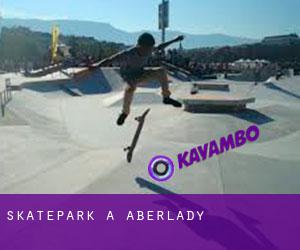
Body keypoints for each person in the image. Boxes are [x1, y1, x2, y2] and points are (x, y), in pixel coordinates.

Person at [82, 33, 184, 126]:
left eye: (150, 49)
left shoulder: (149, 48)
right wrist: (97, 65)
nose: (148, 52)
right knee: (130, 89)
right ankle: (124, 113)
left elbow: (160, 46)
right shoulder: (128, 53)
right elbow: (110, 59)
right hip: (129, 77)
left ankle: (166, 97)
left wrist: (174, 40)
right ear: (140, 46)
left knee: (161, 71)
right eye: (147, 49)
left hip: (141, 73)